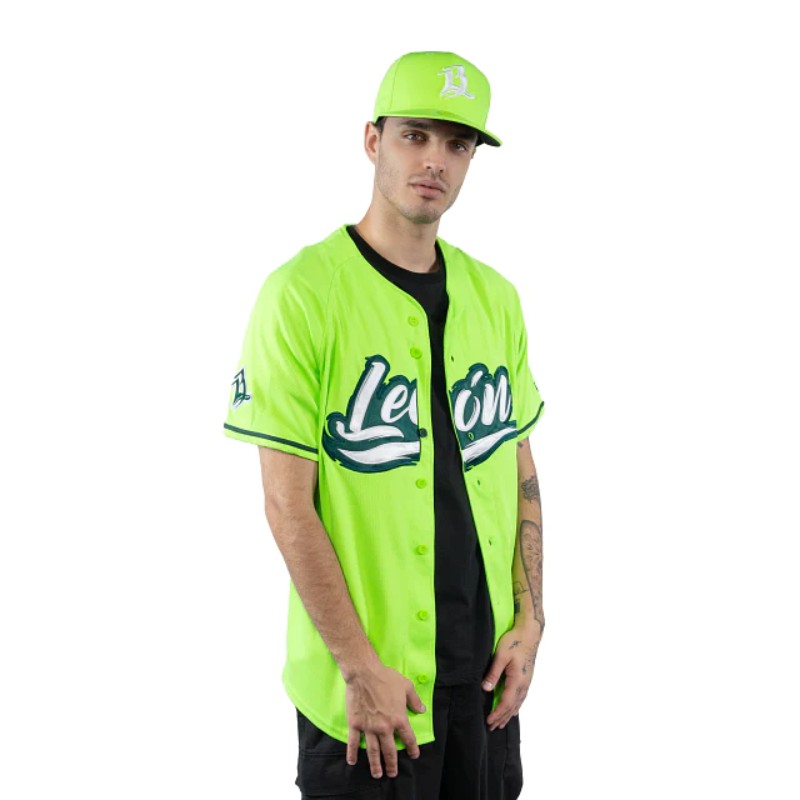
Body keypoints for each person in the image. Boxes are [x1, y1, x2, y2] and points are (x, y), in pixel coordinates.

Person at [223, 50, 546, 800]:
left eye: (458, 143)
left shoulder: (496, 297)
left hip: (485, 682)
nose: (435, 160)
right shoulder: (301, 294)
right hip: (371, 693)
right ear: (373, 140)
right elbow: (286, 504)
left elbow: (520, 466)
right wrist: (358, 667)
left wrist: (532, 620)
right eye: (415, 136)